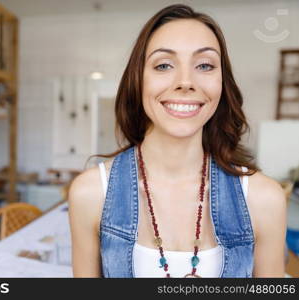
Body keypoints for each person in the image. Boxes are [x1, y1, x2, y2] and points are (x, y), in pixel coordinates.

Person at [68, 4, 287, 278]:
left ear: (222, 84)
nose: (186, 82)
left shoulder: (263, 198)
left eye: (205, 65)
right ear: (138, 80)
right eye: (164, 65)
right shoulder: (91, 193)